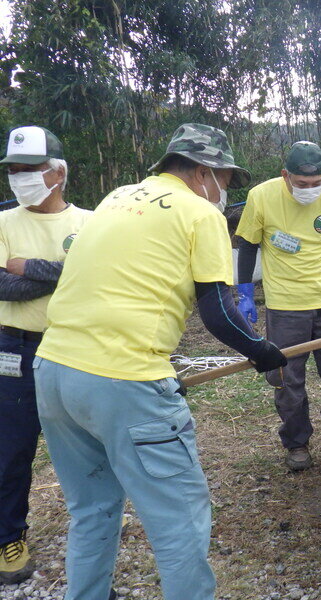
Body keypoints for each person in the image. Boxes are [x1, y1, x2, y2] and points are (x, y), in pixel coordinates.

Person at [33, 123, 287, 600]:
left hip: (54, 373)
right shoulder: (198, 213)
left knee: (91, 511)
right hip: (124, 380)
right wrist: (260, 349)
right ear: (202, 171)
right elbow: (218, 313)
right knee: (179, 521)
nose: (225, 192)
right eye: (226, 180)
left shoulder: (116, 197)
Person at [235, 141, 321, 472]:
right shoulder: (261, 196)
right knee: (287, 381)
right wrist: (245, 292)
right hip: (286, 307)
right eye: (302, 183)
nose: (311, 190)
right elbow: (248, 245)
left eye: (316, 183)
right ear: (286, 175)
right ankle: (297, 443)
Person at [0, 126, 91, 584]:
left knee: (83, 448)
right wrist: (64, 272)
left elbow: (96, 280)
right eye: (14, 171)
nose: (19, 178)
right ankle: (7, 538)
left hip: (77, 348)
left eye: (29, 170)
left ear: (57, 173)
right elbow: (1, 286)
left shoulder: (91, 223)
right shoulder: (2, 222)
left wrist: (27, 267)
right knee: (10, 449)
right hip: (13, 348)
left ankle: (92, 536)